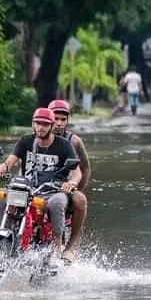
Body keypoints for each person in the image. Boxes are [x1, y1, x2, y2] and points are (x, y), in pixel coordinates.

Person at [0, 108, 82, 263]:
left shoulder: (64, 145)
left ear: (51, 126)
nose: (41, 127)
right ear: (33, 124)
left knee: (57, 202)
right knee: (0, 198)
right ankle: (4, 233)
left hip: (53, 191)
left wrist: (71, 183)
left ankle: (57, 248)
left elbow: (77, 172)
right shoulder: (25, 141)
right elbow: (10, 161)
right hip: (28, 189)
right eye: (38, 123)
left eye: (45, 124)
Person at [48, 99, 91, 263]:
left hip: (65, 186)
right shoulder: (37, 136)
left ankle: (70, 247)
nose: (58, 123)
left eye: (63, 119)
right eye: (55, 119)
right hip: (40, 185)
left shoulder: (73, 142)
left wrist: (76, 187)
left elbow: (85, 168)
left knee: (80, 200)